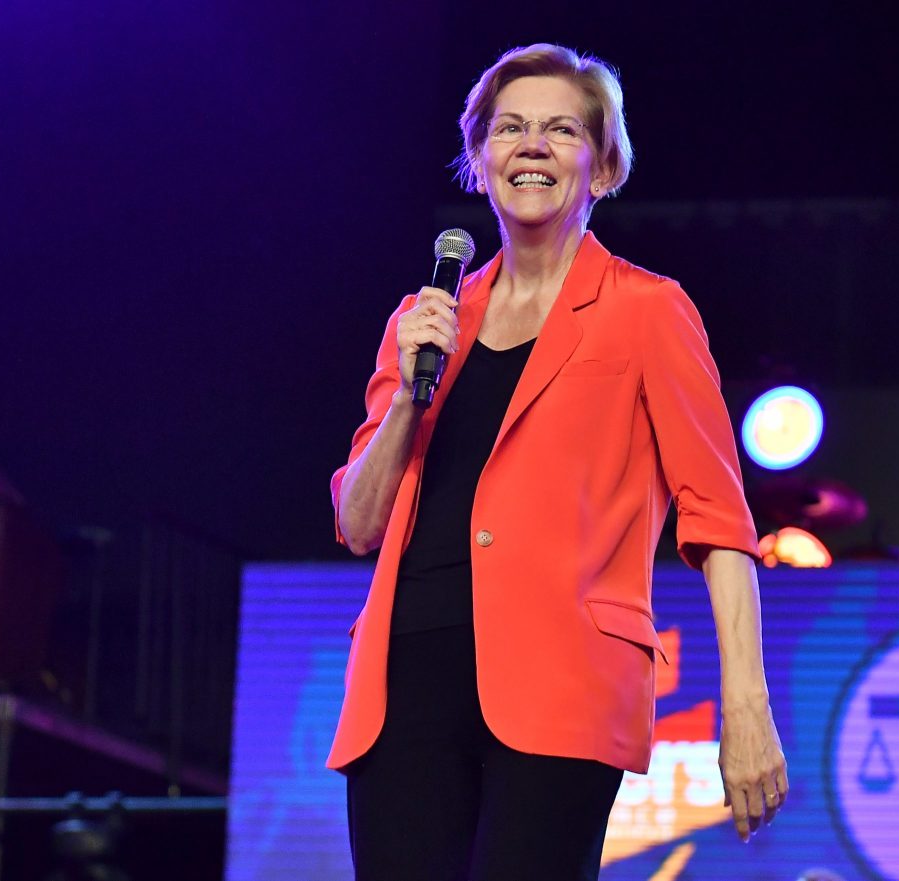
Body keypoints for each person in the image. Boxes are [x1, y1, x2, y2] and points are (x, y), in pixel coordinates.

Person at [330, 43, 787, 880]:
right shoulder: (427, 317)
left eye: (560, 130)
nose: (531, 145)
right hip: (406, 682)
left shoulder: (648, 309)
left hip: (565, 683)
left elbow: (720, 521)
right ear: (479, 160)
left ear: (603, 165)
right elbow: (358, 521)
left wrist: (746, 702)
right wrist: (407, 397)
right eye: (509, 128)